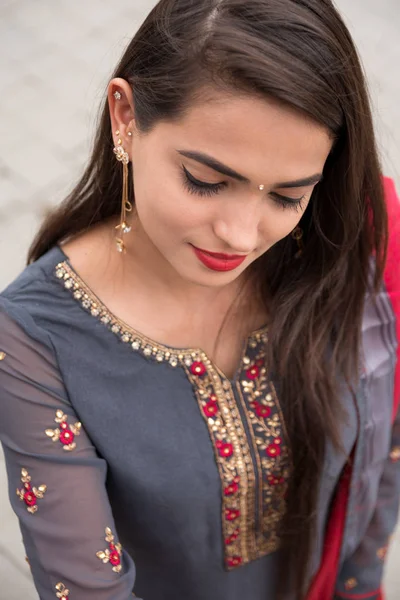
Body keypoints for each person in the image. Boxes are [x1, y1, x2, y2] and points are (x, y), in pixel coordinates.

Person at [0, 0, 399, 598]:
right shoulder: (36, 343)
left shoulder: (347, 244)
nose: (242, 235)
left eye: (287, 197)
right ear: (125, 117)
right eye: (207, 181)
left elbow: (384, 452)